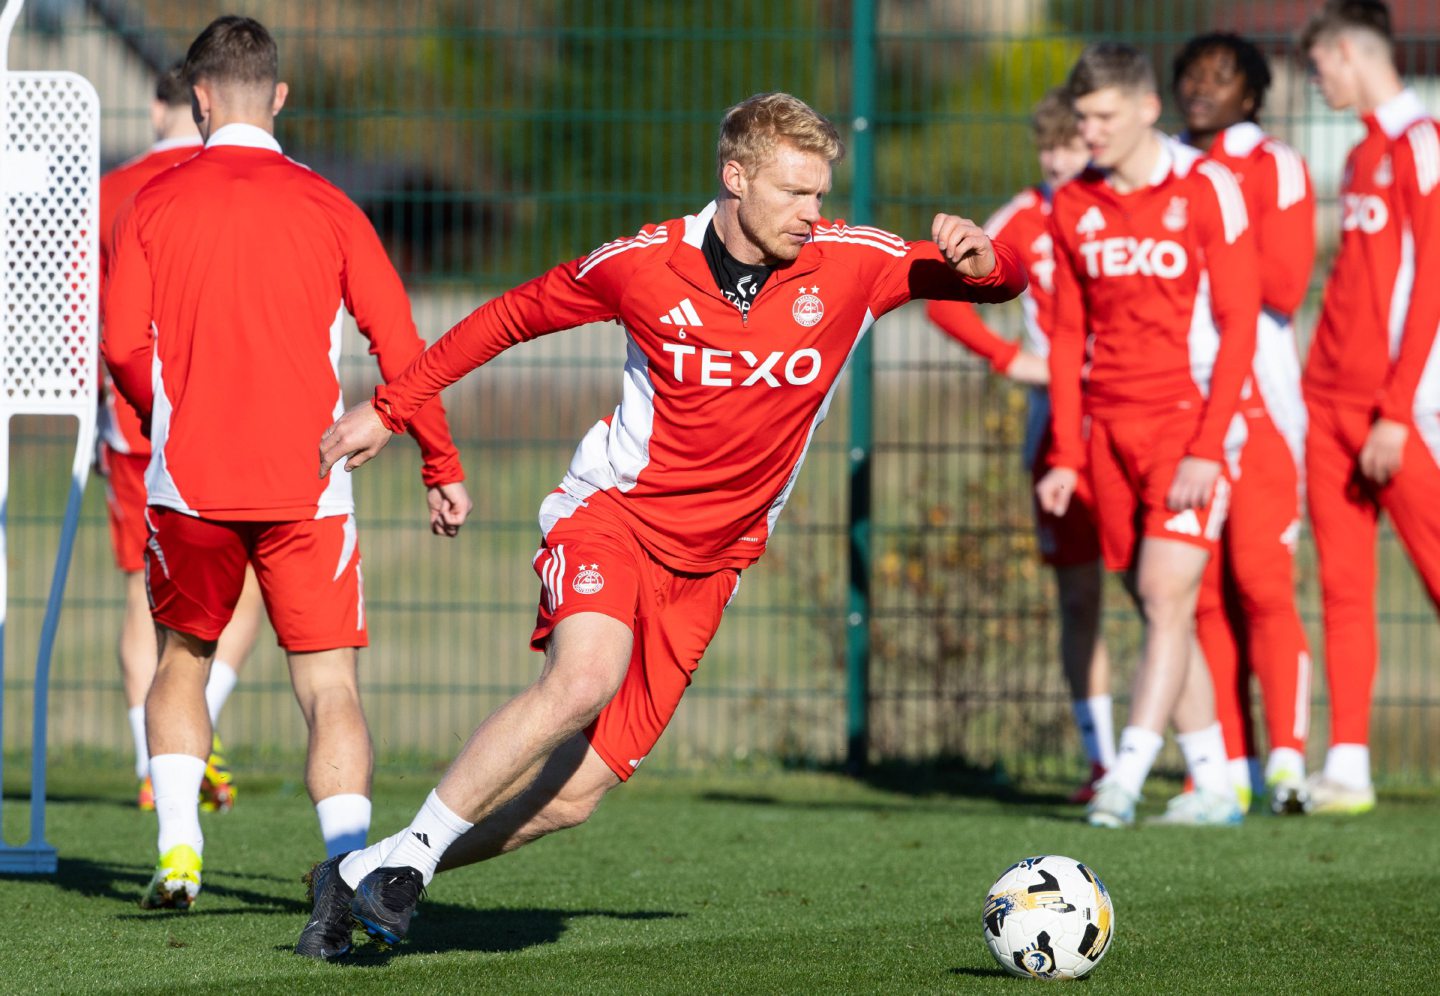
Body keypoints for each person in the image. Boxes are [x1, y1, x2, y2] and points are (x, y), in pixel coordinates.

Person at [292, 91, 1026, 959]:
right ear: (735, 177)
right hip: (614, 516)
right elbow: (507, 317)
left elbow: (1002, 280)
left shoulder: (854, 265)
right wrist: (390, 408)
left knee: (570, 801)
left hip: (714, 566)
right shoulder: (641, 264)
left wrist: (988, 259)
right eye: (795, 193)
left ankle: (363, 874)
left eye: (821, 193)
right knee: (584, 677)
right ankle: (409, 856)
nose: (813, 213)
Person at [102, 16, 471, 910]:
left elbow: (119, 346)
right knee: (329, 684)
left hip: (187, 481)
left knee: (181, 662)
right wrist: (440, 460)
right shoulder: (330, 203)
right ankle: (347, 869)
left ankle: (180, 851)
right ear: (278, 98)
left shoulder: (154, 201)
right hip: (309, 484)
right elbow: (402, 343)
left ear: (196, 98)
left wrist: (170, 420)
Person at [1037, 43, 1260, 828]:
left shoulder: (1207, 187)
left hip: (1190, 425)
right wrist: (1065, 452)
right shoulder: (1072, 205)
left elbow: (1240, 327)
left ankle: (1124, 780)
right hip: (1108, 434)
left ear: (1145, 109)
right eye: (1082, 118)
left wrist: (1208, 444)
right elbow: (1067, 338)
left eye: (1102, 117)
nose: (1090, 132)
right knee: (1156, 604)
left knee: (1167, 596)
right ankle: (1213, 784)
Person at [926, 87, 1114, 804]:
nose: (1061, 159)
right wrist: (1013, 361)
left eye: (1074, 144)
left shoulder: (1130, 206)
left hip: (1137, 412)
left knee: (1163, 589)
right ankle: (1101, 763)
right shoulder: (1025, 216)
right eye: (1050, 146)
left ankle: (1202, 763)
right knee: (1078, 593)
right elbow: (944, 295)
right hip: (1055, 419)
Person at [98, 62, 265, 814]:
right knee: (252, 579)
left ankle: (155, 763)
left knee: (146, 592)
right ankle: (202, 727)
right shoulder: (234, 183)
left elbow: (92, 319)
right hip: (228, 416)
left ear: (165, 104)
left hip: (136, 421)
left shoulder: (114, 192)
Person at [1300, 0, 1440, 814]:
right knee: (1343, 588)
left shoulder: (1423, 145)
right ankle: (1347, 765)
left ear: (1352, 52)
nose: (1319, 81)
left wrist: (1394, 410)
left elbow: (1430, 284)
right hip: (1328, 403)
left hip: (1398, 410)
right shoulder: (1361, 155)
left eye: (1321, 67)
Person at [1173, 32, 1317, 815]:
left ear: (1251, 94)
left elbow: (1287, 286)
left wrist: (1215, 250)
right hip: (1174, 402)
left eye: (1220, 78)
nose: (1201, 88)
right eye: (1191, 76)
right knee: (1194, 592)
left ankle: (1289, 763)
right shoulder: (1158, 166)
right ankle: (1225, 765)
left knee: (1262, 583)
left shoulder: (1272, 164)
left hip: (1259, 398)